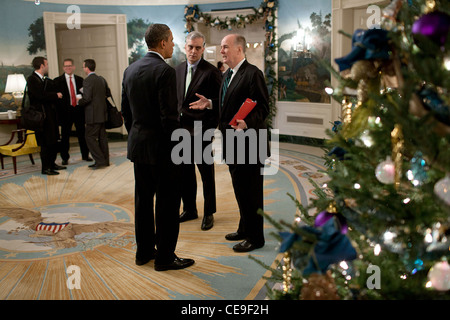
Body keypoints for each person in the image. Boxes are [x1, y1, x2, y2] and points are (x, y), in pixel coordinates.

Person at [121, 23, 194, 271]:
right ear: (162, 42)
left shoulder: (130, 70)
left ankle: (143, 252)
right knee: (167, 204)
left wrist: (139, 134)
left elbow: (126, 113)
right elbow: (169, 120)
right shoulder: (165, 71)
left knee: (143, 201)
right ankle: (164, 258)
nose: (173, 44)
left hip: (138, 147)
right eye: (172, 40)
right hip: (163, 151)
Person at [190, 34, 270, 252]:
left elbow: (263, 107)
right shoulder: (228, 75)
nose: (221, 51)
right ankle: (245, 229)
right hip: (232, 143)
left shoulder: (253, 74)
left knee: (252, 192)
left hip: (251, 144)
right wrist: (210, 104)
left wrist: (247, 123)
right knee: (240, 190)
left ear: (239, 49)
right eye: (221, 48)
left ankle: (256, 238)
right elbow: (228, 104)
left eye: (225, 47)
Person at [175, 31, 222, 231]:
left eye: (197, 47)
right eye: (190, 47)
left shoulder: (211, 72)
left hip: (202, 131)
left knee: (206, 174)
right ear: (185, 48)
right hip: (180, 132)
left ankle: (209, 212)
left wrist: (210, 129)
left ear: (203, 49)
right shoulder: (176, 70)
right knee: (185, 173)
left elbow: (220, 103)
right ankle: (190, 209)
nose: (193, 51)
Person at [26, 56, 65, 175]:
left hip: (49, 115)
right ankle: (45, 168)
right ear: (42, 65)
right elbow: (40, 96)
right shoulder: (32, 79)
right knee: (45, 143)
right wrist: (55, 95)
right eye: (46, 64)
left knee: (53, 141)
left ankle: (52, 164)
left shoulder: (44, 79)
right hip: (41, 117)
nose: (48, 66)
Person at [54, 58, 92, 165]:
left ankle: (85, 155)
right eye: (66, 66)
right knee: (65, 136)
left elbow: (85, 95)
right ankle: (65, 158)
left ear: (73, 67)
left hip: (78, 110)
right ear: (63, 68)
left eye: (70, 66)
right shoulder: (57, 81)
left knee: (82, 134)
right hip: (65, 112)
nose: (68, 68)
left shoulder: (80, 80)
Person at [77, 59, 110, 169]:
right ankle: (105, 161)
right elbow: (107, 93)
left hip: (93, 115)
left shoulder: (87, 81)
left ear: (87, 68)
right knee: (102, 138)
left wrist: (78, 101)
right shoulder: (101, 79)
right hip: (102, 113)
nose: (83, 69)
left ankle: (100, 160)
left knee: (89, 137)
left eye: (83, 67)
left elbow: (87, 99)